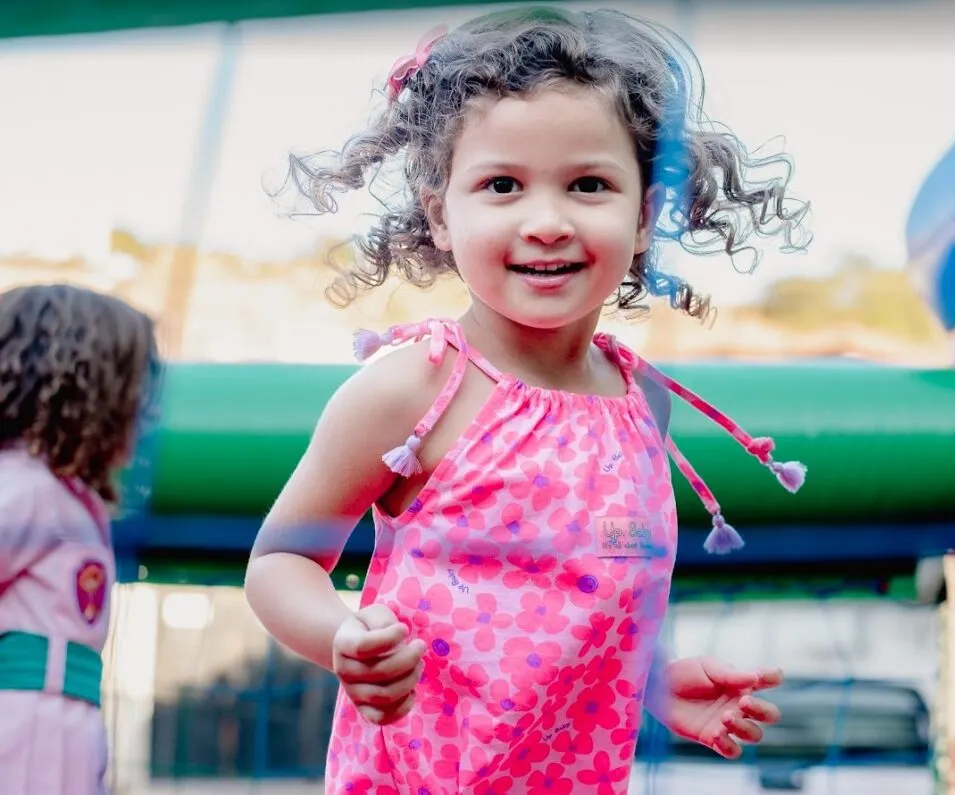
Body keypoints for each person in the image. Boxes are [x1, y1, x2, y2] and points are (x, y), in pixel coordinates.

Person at [246, 7, 809, 793]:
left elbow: (592, 600)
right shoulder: (417, 387)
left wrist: (654, 683)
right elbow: (281, 561)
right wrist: (343, 635)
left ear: (645, 217)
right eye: (502, 185)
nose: (546, 222)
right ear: (442, 215)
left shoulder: (642, 401)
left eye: (589, 185)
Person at [0, 283, 161, 795]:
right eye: (133, 390)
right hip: (22, 732)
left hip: (63, 729)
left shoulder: (68, 496)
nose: (146, 410)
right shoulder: (23, 487)